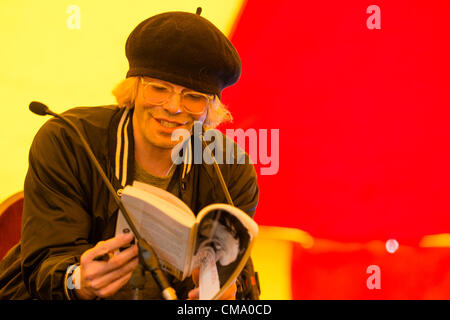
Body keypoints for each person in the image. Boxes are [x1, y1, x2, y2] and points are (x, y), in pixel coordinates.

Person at [0, 10, 259, 300]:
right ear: (134, 89)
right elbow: (43, 265)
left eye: (193, 96)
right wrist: (77, 281)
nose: (174, 106)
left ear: (210, 108)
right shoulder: (68, 140)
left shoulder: (229, 168)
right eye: (159, 89)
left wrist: (227, 297)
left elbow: (243, 280)